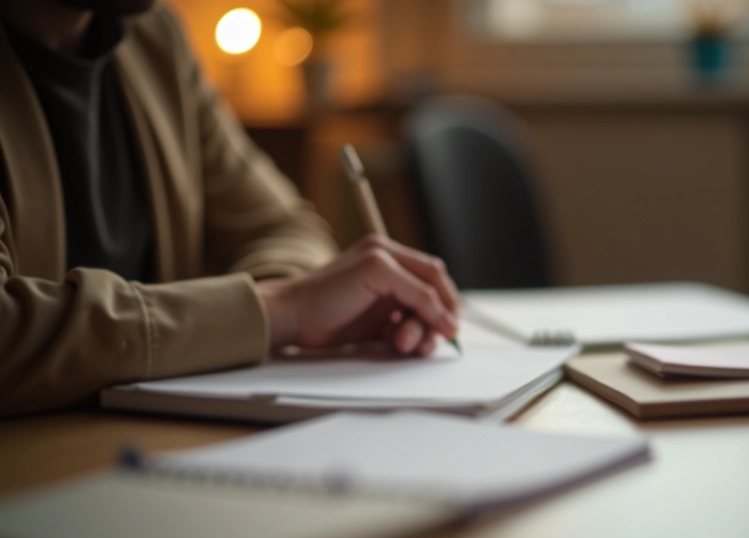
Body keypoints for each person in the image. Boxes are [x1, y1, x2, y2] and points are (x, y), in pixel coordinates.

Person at [0, 0, 461, 417]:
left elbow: (285, 226)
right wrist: (279, 310)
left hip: (158, 432)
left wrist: (274, 314)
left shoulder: (154, 39)